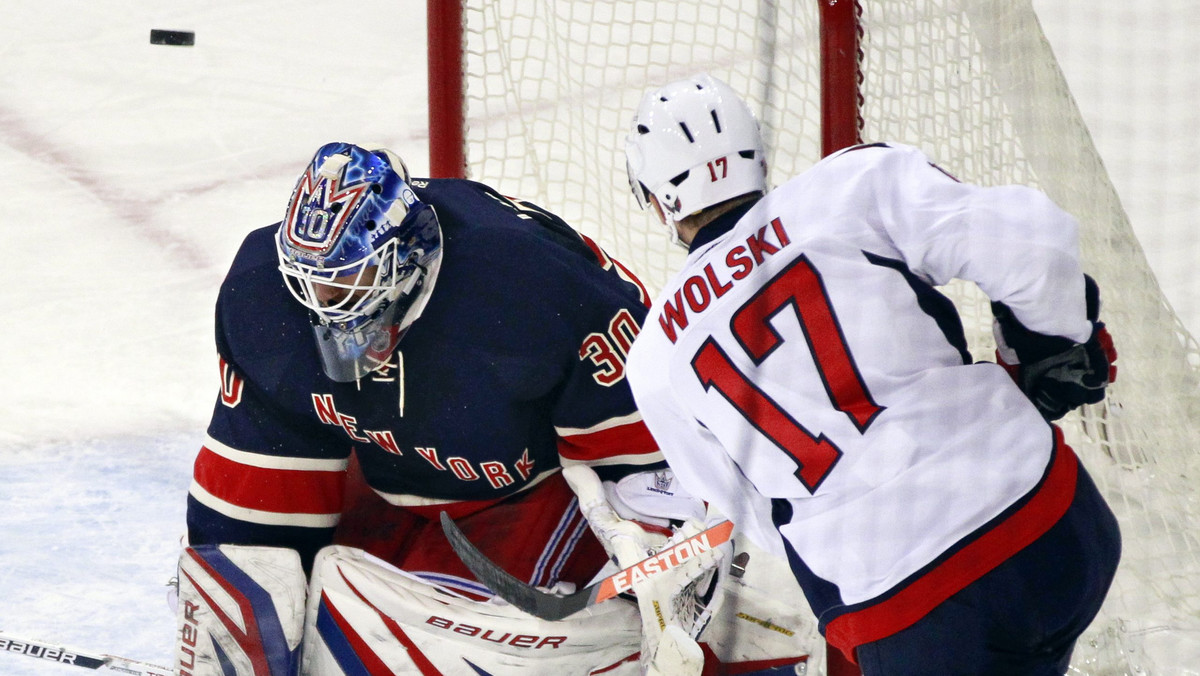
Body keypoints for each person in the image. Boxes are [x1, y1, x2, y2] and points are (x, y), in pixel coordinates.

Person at [622, 74, 1122, 675]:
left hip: (913, 618)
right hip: (1058, 530)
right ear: (756, 151)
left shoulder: (654, 359)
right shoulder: (850, 183)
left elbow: (743, 511)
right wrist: (1048, 348)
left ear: (657, 201)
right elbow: (1032, 244)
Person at [178, 142, 717, 674]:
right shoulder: (262, 294)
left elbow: (645, 457)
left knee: (446, 651)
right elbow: (254, 499)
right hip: (387, 478)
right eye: (313, 282)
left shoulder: (528, 282)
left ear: (408, 251)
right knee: (309, 620)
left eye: (348, 280)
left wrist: (659, 559)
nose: (327, 305)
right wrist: (242, 626)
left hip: (535, 494)